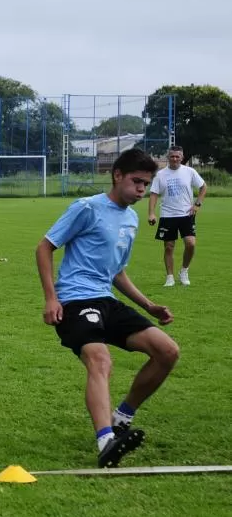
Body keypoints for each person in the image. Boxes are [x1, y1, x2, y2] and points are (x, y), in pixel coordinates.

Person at [36, 148, 180, 468]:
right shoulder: (86, 208)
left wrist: (149, 305)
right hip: (75, 300)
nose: (142, 190)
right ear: (117, 175)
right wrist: (51, 297)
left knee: (167, 351)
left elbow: (116, 273)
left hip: (107, 300)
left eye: (146, 184)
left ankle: (121, 417)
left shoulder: (130, 219)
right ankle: (106, 440)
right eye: (136, 182)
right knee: (100, 359)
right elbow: (45, 247)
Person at [148, 145, 207, 286]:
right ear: (168, 157)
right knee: (169, 246)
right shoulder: (160, 175)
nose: (175, 159)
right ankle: (169, 277)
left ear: (182, 157)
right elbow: (154, 194)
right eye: (172, 156)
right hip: (167, 215)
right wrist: (151, 213)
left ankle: (184, 271)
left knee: (191, 244)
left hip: (187, 214)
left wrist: (197, 204)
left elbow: (203, 187)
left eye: (177, 156)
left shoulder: (189, 171)